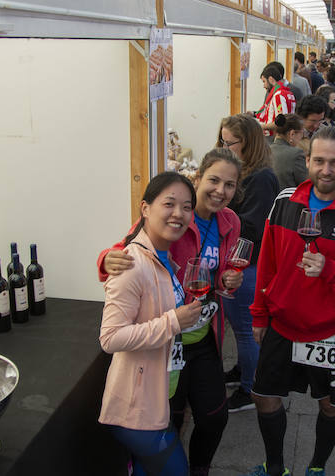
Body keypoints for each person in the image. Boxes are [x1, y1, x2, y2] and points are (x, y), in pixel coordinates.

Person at [243, 127, 335, 476]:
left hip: (329, 332)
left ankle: (317, 467)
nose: (326, 169)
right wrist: (259, 315)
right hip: (282, 325)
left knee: (331, 405)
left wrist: (331, 270)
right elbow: (267, 263)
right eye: (319, 160)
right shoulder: (284, 201)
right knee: (264, 396)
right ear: (307, 161)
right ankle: (275, 466)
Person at [98, 153, 243, 475]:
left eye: (230, 185)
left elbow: (218, 272)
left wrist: (228, 278)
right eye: (214, 180)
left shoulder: (230, 222)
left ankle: (197, 468)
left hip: (204, 334)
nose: (220, 190)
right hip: (167, 342)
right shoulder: (173, 216)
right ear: (199, 179)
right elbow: (128, 247)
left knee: (214, 415)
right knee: (170, 416)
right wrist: (106, 259)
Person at [99, 172, 204, 476]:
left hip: (155, 396)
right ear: (145, 208)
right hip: (135, 408)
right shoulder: (132, 263)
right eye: (169, 204)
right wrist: (173, 321)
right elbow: (111, 338)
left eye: (186, 207)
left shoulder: (162, 256)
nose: (178, 214)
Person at [216, 114, 279, 411]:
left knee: (244, 329)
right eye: (222, 141)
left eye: (231, 143)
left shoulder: (261, 178)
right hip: (239, 263)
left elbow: (253, 227)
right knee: (240, 325)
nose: (225, 147)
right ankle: (243, 371)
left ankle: (250, 389)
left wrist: (219, 210)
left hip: (247, 265)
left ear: (249, 143)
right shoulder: (246, 172)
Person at [254, 65, 296, 136]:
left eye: (264, 81)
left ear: (270, 79)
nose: (264, 86)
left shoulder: (279, 95)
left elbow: (281, 123)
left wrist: (260, 127)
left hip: (274, 137)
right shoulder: (288, 93)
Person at [271, 114, 307, 190]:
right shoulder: (296, 154)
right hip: (288, 200)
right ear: (292, 134)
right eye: (302, 133)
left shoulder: (265, 150)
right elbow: (306, 186)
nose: (302, 137)